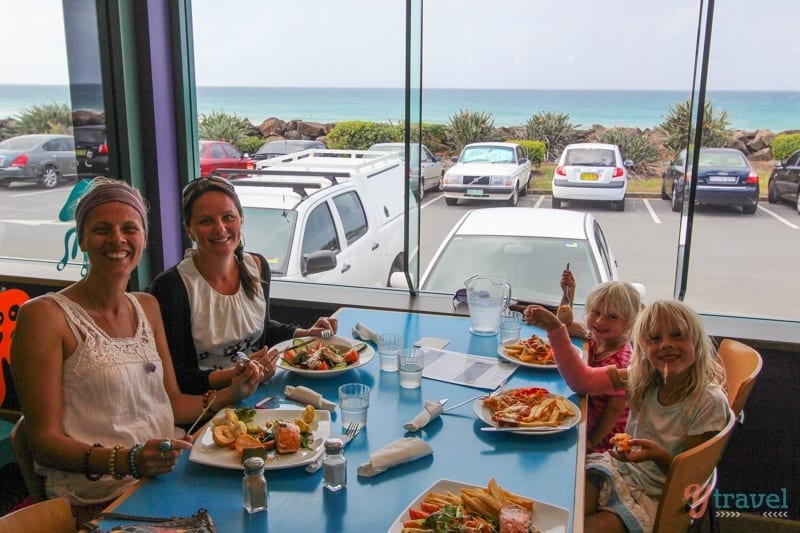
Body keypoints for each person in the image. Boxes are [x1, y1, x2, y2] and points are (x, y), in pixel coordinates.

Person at [10, 178, 243, 524]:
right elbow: (43, 442)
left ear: (144, 239)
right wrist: (129, 460)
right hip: (105, 502)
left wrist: (233, 391)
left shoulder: (146, 306)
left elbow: (174, 403)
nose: (117, 239)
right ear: (82, 239)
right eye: (102, 229)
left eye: (129, 228)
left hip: (168, 481)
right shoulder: (45, 316)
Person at [525, 299, 730, 533]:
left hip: (657, 498)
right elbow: (581, 381)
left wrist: (659, 456)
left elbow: (691, 482)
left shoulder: (708, 402)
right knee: (556, 513)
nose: (666, 345)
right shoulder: (643, 377)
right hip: (618, 472)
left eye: (677, 335)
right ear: (642, 349)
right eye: (654, 339)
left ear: (697, 343)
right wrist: (555, 330)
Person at [147, 175, 337, 396]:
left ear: (241, 220)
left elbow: (259, 332)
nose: (220, 228)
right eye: (205, 221)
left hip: (261, 391)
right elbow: (181, 379)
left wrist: (305, 334)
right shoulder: (172, 287)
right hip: (210, 404)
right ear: (189, 229)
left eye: (228, 217)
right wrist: (240, 373)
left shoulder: (256, 266)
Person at [558, 271, 642, 453]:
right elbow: (564, 326)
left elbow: (614, 410)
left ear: (629, 322)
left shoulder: (621, 362)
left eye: (612, 317)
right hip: (585, 413)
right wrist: (568, 295)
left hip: (605, 438)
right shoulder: (595, 337)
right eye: (595, 312)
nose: (600, 320)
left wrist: (591, 442)